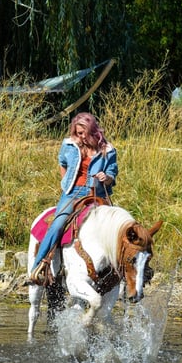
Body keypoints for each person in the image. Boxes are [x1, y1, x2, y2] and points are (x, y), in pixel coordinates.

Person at [30, 112, 118, 285]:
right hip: (73, 193)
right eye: (78, 133)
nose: (81, 136)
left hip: (97, 194)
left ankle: (122, 270)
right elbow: (62, 162)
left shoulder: (107, 149)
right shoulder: (69, 145)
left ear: (92, 130)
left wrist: (105, 178)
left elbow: (112, 173)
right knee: (57, 224)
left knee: (115, 225)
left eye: (84, 132)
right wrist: (66, 183)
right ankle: (38, 265)